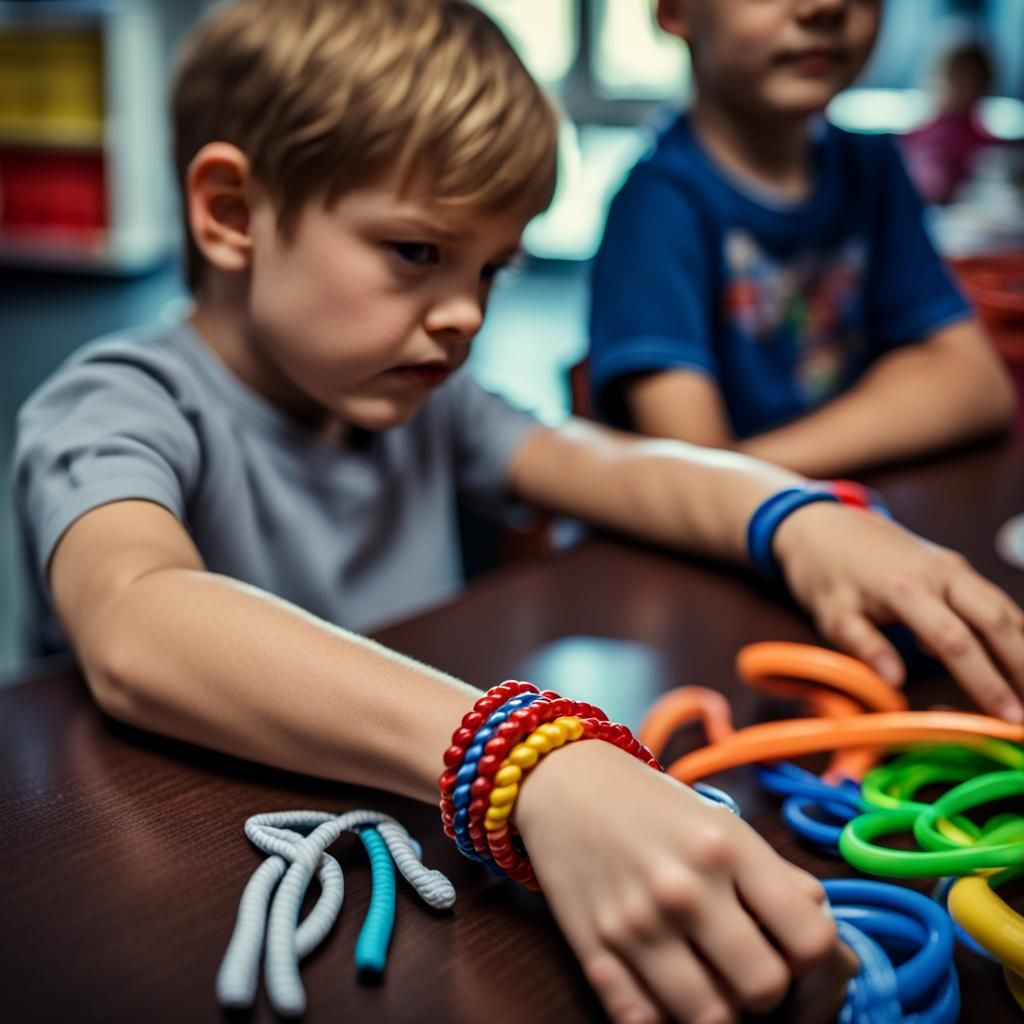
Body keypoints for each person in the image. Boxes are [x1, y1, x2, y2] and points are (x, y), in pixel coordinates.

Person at [13, 2, 1024, 1022]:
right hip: (195, 883)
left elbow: (594, 459)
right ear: (231, 210)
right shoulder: (114, 404)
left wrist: (796, 518)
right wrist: (516, 753)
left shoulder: (427, 396)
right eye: (415, 252)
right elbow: (137, 615)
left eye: (490, 267)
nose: (465, 314)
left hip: (401, 869)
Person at [588, 0, 1016, 479]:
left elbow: (978, 388)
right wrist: (900, 395)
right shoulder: (658, 207)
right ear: (674, 11)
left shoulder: (871, 166)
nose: (826, 6)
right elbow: (694, 476)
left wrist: (747, 470)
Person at [903, 40, 1000, 206]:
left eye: (974, 80)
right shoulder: (915, 138)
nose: (965, 87)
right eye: (957, 78)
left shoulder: (991, 147)